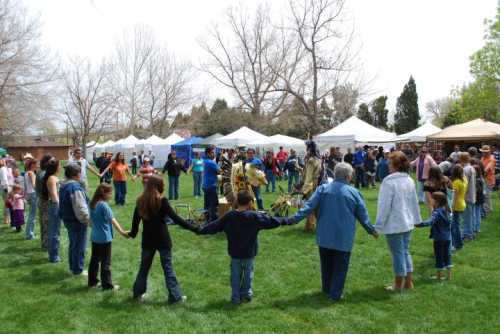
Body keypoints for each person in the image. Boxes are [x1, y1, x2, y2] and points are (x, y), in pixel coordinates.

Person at [288, 163, 378, 301]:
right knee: (340, 266)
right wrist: (371, 230)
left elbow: (309, 206)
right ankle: (335, 294)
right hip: (343, 237)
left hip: (324, 234)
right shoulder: (354, 193)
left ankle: (326, 289)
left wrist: (295, 219)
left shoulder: (322, 189)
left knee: (326, 263)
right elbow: (363, 215)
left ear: (335, 175)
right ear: (348, 176)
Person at [196, 190, 294, 304]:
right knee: (248, 274)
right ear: (249, 203)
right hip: (249, 253)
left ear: (237, 201)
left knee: (235, 275)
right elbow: (272, 221)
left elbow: (214, 226)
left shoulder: (230, 216)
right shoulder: (254, 216)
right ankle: (246, 295)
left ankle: (235, 297)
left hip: (235, 252)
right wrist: (289, 220)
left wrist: (200, 230)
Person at [128, 175, 198, 303]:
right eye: (162, 184)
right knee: (168, 268)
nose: (164, 187)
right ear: (157, 186)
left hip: (148, 241)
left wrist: (131, 234)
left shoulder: (140, 201)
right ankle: (175, 297)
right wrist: (194, 228)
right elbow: (176, 219)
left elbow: (135, 226)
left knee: (144, 268)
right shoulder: (162, 201)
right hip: (162, 240)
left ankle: (137, 294)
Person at [375, 151, 421, 292]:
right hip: (407, 222)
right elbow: (415, 203)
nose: (388, 165)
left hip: (395, 224)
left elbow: (384, 206)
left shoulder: (389, 182)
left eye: (390, 162)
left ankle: (398, 285)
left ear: (395, 165)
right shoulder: (409, 180)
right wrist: (417, 219)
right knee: (405, 252)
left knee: (398, 254)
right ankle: (408, 283)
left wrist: (378, 227)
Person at [88, 183, 129, 290]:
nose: (111, 195)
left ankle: (92, 282)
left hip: (95, 237)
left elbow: (90, 221)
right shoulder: (103, 205)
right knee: (106, 262)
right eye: (110, 193)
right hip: (104, 238)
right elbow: (112, 220)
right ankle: (107, 285)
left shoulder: (92, 203)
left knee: (94, 260)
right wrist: (122, 232)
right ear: (104, 193)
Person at [59, 164, 91, 276]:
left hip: (68, 219)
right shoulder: (74, 188)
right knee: (79, 244)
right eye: (79, 173)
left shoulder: (63, 185)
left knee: (73, 243)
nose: (81, 175)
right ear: (76, 174)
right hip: (77, 221)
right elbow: (80, 207)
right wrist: (88, 220)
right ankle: (78, 269)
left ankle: (73, 266)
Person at [415, 192, 453, 281]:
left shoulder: (437, 212)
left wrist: (419, 224)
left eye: (432, 198)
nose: (430, 200)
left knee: (439, 256)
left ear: (437, 201)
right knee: (447, 256)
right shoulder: (448, 210)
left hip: (439, 239)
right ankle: (449, 276)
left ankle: (439, 277)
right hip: (448, 238)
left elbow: (430, 221)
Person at [43, 158, 62, 263]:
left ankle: (54, 254)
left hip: (55, 205)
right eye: (59, 166)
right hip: (55, 205)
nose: (60, 167)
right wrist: (59, 206)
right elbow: (54, 195)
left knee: (55, 231)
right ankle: (54, 256)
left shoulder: (53, 177)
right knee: (54, 232)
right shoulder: (52, 178)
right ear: (55, 167)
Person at [458, 152, 476, 242]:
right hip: (472, 195)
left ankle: (467, 234)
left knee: (466, 217)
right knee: (470, 216)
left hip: (467, 196)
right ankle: (471, 233)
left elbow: (464, 184)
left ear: (461, 159)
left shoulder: (465, 170)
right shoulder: (471, 168)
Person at [36, 155, 52, 249]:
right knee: (46, 223)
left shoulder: (43, 172)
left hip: (43, 200)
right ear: (45, 162)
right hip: (44, 201)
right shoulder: (42, 173)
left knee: (45, 223)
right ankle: (46, 245)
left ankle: (45, 244)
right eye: (50, 162)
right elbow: (45, 183)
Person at [450, 164, 467, 251]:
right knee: (456, 225)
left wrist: (451, 209)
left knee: (455, 227)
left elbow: (454, 197)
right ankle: (458, 244)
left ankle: (457, 245)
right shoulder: (464, 179)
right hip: (462, 203)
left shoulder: (456, 182)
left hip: (457, 205)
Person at [202, 147, 220, 222]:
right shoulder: (211, 162)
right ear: (208, 153)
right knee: (214, 204)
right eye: (212, 152)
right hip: (211, 185)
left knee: (207, 204)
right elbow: (219, 171)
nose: (214, 154)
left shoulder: (205, 161)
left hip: (205, 185)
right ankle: (213, 220)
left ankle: (207, 218)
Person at [24, 159, 38, 240]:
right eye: (36, 164)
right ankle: (29, 234)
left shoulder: (26, 173)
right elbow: (34, 185)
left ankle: (29, 232)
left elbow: (26, 186)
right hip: (33, 194)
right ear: (32, 165)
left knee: (31, 215)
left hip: (29, 194)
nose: (37, 166)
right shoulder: (31, 173)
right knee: (32, 215)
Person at [480, 145, 495, 215]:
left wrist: (479, 173)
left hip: (488, 179)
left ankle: (487, 210)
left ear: (488, 152)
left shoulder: (491, 159)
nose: (483, 153)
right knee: (485, 194)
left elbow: (486, 170)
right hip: (484, 179)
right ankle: (488, 209)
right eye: (483, 152)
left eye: (485, 152)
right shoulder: (483, 158)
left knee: (487, 195)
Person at [472, 162, 485, 236]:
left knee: (475, 213)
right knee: (477, 213)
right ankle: (477, 228)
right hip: (480, 198)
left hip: (477, 198)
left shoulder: (477, 180)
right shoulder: (480, 178)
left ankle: (476, 228)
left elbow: (478, 190)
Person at [0, 159, 11, 225]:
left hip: (3, 188)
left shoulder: (3, 168)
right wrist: (7, 188)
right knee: (8, 204)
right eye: (2, 160)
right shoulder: (3, 169)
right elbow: (4, 179)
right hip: (5, 188)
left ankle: (6, 219)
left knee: (6, 204)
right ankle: (7, 219)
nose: (3, 160)